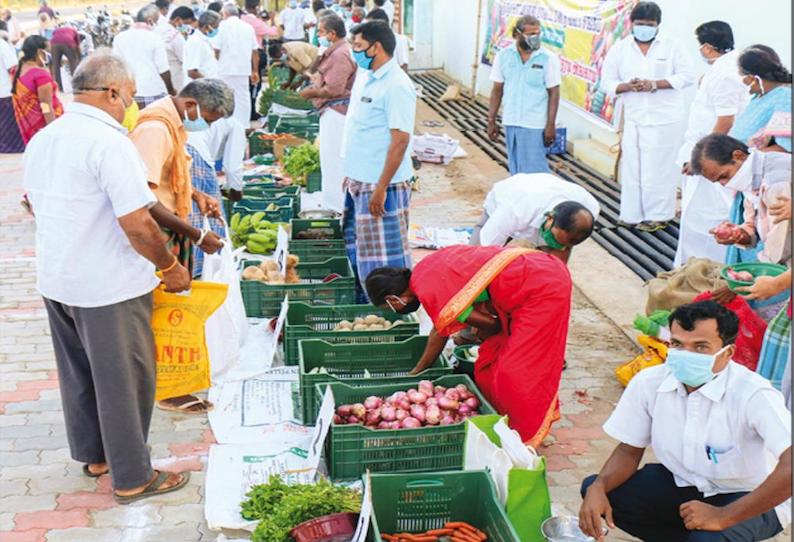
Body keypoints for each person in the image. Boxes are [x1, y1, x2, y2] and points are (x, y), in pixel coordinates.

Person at [24, 51, 192, 505]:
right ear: (113, 92)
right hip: (107, 285)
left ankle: (96, 456)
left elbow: (33, 204)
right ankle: (133, 476)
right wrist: (169, 267)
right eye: (132, 95)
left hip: (59, 278)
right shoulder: (109, 142)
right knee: (124, 379)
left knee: (80, 374)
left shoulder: (46, 137)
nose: (132, 104)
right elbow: (138, 223)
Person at [579, 301, 791, 541]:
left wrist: (723, 516)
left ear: (728, 352)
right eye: (678, 344)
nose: (686, 355)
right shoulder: (650, 382)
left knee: (707, 539)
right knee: (597, 491)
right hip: (683, 482)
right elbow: (629, 450)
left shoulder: (753, 394)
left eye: (700, 347)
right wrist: (598, 487)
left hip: (746, 494)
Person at [365, 244, 572, 445]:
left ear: (393, 298)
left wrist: (417, 372)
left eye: (389, 306)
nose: (393, 309)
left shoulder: (428, 289)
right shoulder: (424, 270)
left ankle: (523, 435)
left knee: (515, 372)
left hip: (540, 287)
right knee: (489, 362)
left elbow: (482, 326)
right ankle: (501, 418)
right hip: (529, 272)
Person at [129, 79, 230, 414]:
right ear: (191, 105)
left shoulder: (173, 124)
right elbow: (142, 199)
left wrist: (197, 196)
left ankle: (173, 382)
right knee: (160, 310)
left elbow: (170, 178)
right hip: (158, 233)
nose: (207, 125)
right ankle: (165, 388)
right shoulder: (156, 129)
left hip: (173, 222)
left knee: (170, 307)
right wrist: (197, 235)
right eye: (209, 118)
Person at [600, 1, 694, 231]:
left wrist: (656, 84)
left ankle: (659, 216)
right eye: (640, 24)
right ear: (632, 24)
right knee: (633, 167)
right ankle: (631, 214)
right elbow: (607, 82)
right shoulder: (620, 49)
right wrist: (628, 86)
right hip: (634, 117)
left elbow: (687, 76)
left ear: (658, 25)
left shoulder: (673, 46)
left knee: (659, 169)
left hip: (665, 119)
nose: (644, 28)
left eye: (649, 25)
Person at [342, 20, 416, 301]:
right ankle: (365, 299)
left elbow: (400, 141)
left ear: (377, 47)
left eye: (359, 47)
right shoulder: (369, 76)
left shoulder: (396, 85)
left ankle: (390, 306)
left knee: (386, 256)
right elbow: (361, 129)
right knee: (361, 247)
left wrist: (381, 186)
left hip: (383, 184)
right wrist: (351, 173)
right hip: (361, 179)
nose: (355, 52)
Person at [674, 21, 747, 267]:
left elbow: (725, 119)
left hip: (711, 157)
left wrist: (702, 160)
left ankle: (702, 271)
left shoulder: (724, 74)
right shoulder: (730, 66)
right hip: (710, 152)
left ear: (706, 47)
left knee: (702, 216)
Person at [723, 46, 792, 265]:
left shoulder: (783, 97)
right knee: (747, 239)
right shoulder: (760, 96)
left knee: (772, 249)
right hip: (749, 188)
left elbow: (786, 148)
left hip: (771, 187)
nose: (742, 81)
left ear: (754, 77)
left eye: (743, 75)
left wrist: (751, 158)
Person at [690, 134, 791, 269]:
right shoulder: (752, 175)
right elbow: (756, 223)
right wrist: (739, 234)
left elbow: (782, 243)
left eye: (724, 176)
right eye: (719, 182)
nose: (725, 184)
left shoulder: (776, 182)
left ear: (738, 156)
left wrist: (754, 273)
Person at [487, 15, 561, 175]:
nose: (535, 38)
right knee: (516, 170)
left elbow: (554, 92)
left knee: (535, 172)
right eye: (530, 34)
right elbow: (497, 90)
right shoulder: (503, 56)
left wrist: (550, 125)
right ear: (516, 35)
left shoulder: (548, 59)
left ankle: (539, 199)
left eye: (538, 34)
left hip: (534, 124)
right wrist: (491, 120)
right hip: (511, 121)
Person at [471, 173, 599, 263]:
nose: (556, 245)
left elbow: (564, 245)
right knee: (475, 259)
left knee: (552, 267)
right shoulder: (515, 209)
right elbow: (486, 250)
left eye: (563, 244)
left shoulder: (590, 209)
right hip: (510, 197)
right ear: (549, 218)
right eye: (554, 238)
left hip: (545, 197)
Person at [298, 12, 355, 213]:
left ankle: (337, 207)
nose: (318, 35)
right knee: (329, 158)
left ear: (331, 34)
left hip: (337, 111)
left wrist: (310, 92)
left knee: (333, 160)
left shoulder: (340, 54)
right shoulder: (334, 51)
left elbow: (334, 89)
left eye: (321, 32)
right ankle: (334, 203)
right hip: (334, 110)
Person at [187, 115, 246, 276]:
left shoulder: (206, 118)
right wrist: (236, 192)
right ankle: (210, 272)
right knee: (209, 217)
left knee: (189, 217)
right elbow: (233, 167)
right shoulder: (236, 124)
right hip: (198, 157)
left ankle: (194, 269)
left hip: (183, 152)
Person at [113, 5, 176, 108]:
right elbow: (164, 70)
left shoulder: (119, 38)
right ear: (150, 20)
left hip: (130, 93)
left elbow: (117, 66)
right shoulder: (155, 38)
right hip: (153, 92)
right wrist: (171, 90)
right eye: (157, 21)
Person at [10, 36, 63, 145]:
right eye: (47, 50)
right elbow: (46, 106)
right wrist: (54, 131)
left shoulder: (17, 70)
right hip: (46, 125)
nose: (49, 54)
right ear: (39, 51)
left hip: (31, 127)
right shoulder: (40, 75)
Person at [214, 3, 259, 127]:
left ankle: (225, 126)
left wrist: (216, 62)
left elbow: (216, 49)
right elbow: (255, 51)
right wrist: (255, 71)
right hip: (243, 69)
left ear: (225, 14)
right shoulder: (248, 27)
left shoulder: (221, 27)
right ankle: (244, 125)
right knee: (243, 98)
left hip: (224, 69)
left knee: (224, 97)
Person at [155, 6, 197, 92]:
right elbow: (185, 58)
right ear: (178, 19)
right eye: (186, 23)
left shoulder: (157, 30)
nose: (187, 27)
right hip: (175, 78)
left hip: (158, 76)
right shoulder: (176, 37)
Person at [0, 23, 24, 153]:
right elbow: (13, 68)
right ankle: (12, 147)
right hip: (4, 91)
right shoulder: (2, 45)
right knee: (9, 122)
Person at [184, 9, 220, 81]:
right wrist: (210, 84)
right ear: (207, 26)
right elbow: (192, 72)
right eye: (215, 27)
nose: (216, 30)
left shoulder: (204, 40)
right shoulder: (195, 42)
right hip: (201, 87)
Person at [49, 24, 81, 92]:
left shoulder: (57, 30)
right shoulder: (74, 31)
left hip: (54, 43)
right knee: (73, 63)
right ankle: (76, 85)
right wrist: (79, 58)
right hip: (68, 42)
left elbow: (53, 36)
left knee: (56, 65)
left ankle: (59, 87)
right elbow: (78, 47)